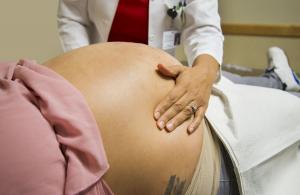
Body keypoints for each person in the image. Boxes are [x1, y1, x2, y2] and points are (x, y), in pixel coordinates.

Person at [1, 42, 300, 195]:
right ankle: (277, 79)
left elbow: (204, 25)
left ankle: (276, 79)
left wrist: (206, 67)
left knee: (257, 96)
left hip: (190, 94)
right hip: (206, 157)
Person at [57, 0, 224, 133]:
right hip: (96, 75)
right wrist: (83, 67)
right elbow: (72, 17)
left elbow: (203, 27)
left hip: (159, 77)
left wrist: (203, 73)